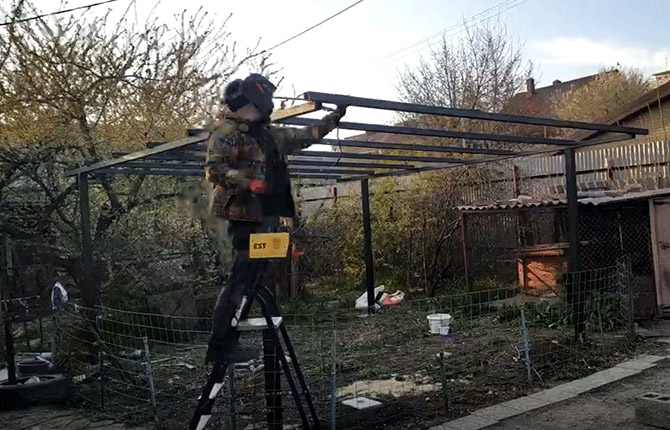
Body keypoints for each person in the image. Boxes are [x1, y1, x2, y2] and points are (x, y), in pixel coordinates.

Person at [204, 73, 343, 363]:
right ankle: (220, 346)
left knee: (259, 276)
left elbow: (306, 136)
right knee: (239, 279)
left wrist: (335, 116)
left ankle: (245, 344)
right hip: (239, 214)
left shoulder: (270, 134)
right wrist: (246, 182)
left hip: (267, 214)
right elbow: (214, 170)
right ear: (244, 105)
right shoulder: (226, 132)